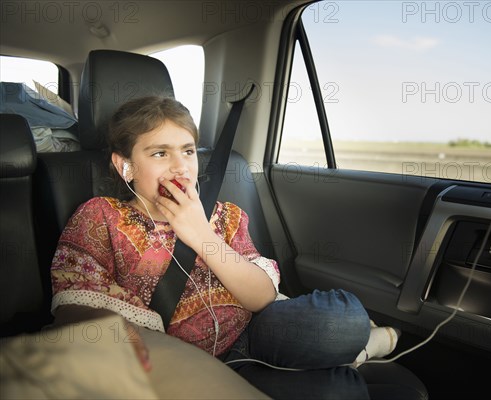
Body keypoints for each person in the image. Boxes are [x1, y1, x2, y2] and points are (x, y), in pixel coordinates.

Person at [50, 96, 399, 399]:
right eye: (159, 153)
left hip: (250, 334)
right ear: (124, 164)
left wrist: (202, 235)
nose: (180, 166)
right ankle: (353, 354)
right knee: (345, 392)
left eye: (188, 151)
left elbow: (261, 297)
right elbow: (74, 309)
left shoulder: (225, 215)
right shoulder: (102, 216)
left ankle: (352, 344)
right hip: (177, 366)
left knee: (346, 319)